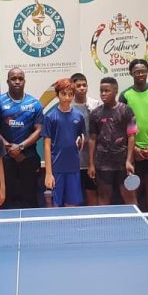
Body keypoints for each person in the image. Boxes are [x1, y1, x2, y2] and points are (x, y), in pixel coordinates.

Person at [0, 68, 43, 208]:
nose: (17, 81)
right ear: (7, 81)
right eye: (13, 78)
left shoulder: (34, 103)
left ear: (24, 81)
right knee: (7, 201)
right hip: (5, 159)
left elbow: (39, 130)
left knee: (30, 199)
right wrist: (9, 147)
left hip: (29, 158)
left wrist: (21, 147)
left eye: (20, 78)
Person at [121, 59, 148, 212]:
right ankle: (137, 221)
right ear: (131, 73)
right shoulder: (125, 95)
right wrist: (133, 149)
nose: (140, 74)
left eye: (142, 71)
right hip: (133, 151)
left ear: (147, 72)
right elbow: (123, 124)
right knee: (133, 188)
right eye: (136, 71)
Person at [87, 77, 137, 206]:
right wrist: (91, 164)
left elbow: (131, 135)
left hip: (122, 162)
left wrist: (129, 160)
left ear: (115, 91)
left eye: (107, 90)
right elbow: (92, 139)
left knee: (129, 196)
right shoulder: (95, 114)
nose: (103, 94)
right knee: (103, 196)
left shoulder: (127, 110)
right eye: (101, 91)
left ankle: (135, 224)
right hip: (102, 163)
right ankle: (104, 225)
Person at [42, 78, 87, 207]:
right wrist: (49, 173)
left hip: (73, 168)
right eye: (63, 94)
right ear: (57, 95)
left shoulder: (79, 116)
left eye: (70, 94)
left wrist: (80, 142)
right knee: (55, 206)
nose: (67, 98)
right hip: (56, 169)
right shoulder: (51, 117)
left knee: (72, 205)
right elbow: (46, 146)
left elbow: (81, 139)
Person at [71, 73, 101, 205]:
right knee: (74, 195)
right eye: (78, 86)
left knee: (92, 192)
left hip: (92, 160)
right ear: (72, 87)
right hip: (74, 160)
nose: (82, 88)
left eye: (84, 85)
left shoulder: (95, 104)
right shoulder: (68, 106)